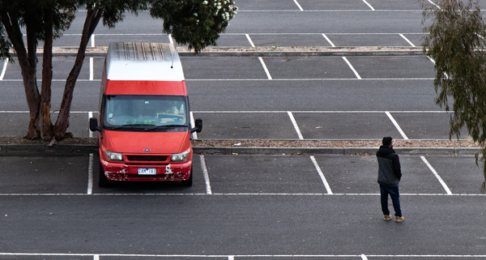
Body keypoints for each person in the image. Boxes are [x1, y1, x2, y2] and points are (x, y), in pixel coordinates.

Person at [376, 137, 404, 223]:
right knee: (395, 198)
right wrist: (398, 177)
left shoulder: (378, 153)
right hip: (391, 181)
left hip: (382, 179)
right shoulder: (394, 156)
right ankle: (398, 215)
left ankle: (386, 214)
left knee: (384, 198)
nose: (393, 144)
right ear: (389, 144)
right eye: (392, 142)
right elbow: (397, 170)